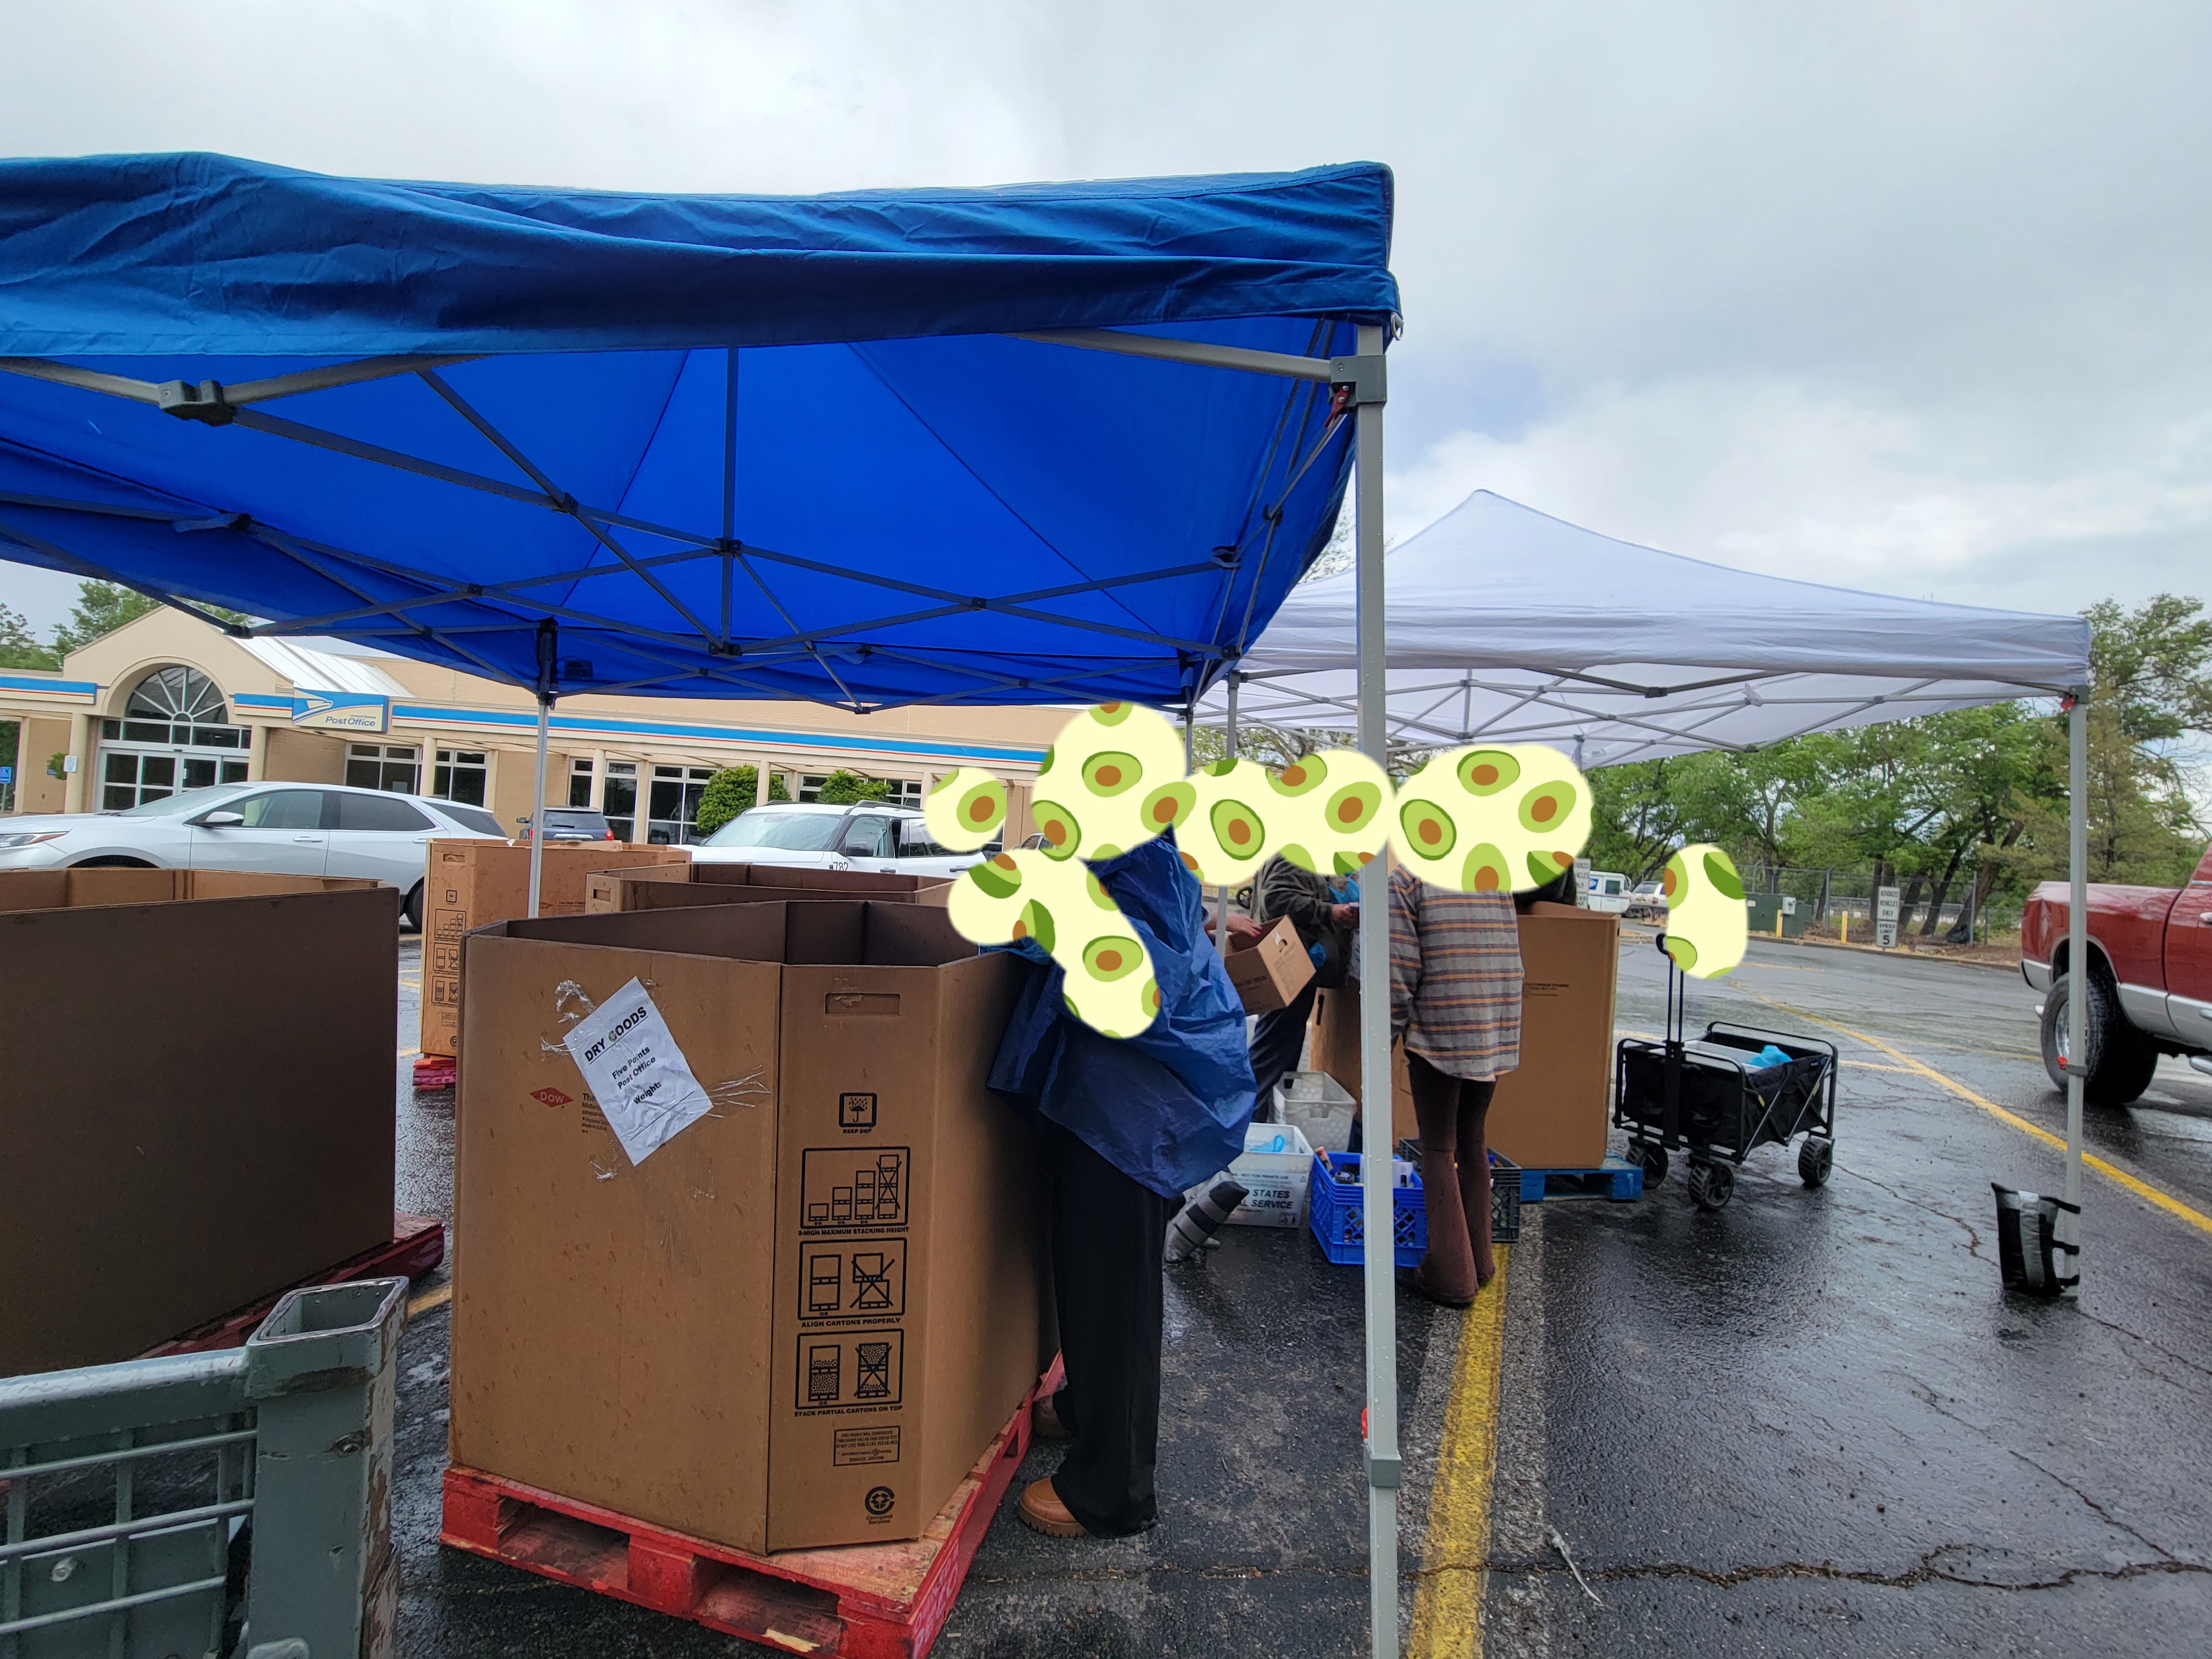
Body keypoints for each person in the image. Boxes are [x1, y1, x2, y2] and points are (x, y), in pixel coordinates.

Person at [986, 833, 1254, 1538]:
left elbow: (1137, 979)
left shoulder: (1147, 867)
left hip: (1129, 1117)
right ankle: (1084, 1411)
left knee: (1116, 1297)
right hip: (1101, 1104)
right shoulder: (1120, 856)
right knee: (1084, 1276)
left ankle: (1113, 1488)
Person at [1389, 862, 1524, 1304]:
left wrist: (1384, 1034)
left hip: (1443, 1028)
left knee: (1437, 1148)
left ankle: (1452, 1279)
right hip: (1494, 1026)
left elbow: (1400, 972)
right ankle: (1481, 1263)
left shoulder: (1408, 883)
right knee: (1472, 1140)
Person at [1244, 853, 1356, 1114]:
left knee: (1279, 1054)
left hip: (1295, 969)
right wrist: (1330, 911)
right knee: (1271, 1055)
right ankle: (1250, 1126)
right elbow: (1276, 898)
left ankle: (1257, 1123)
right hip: (1290, 968)